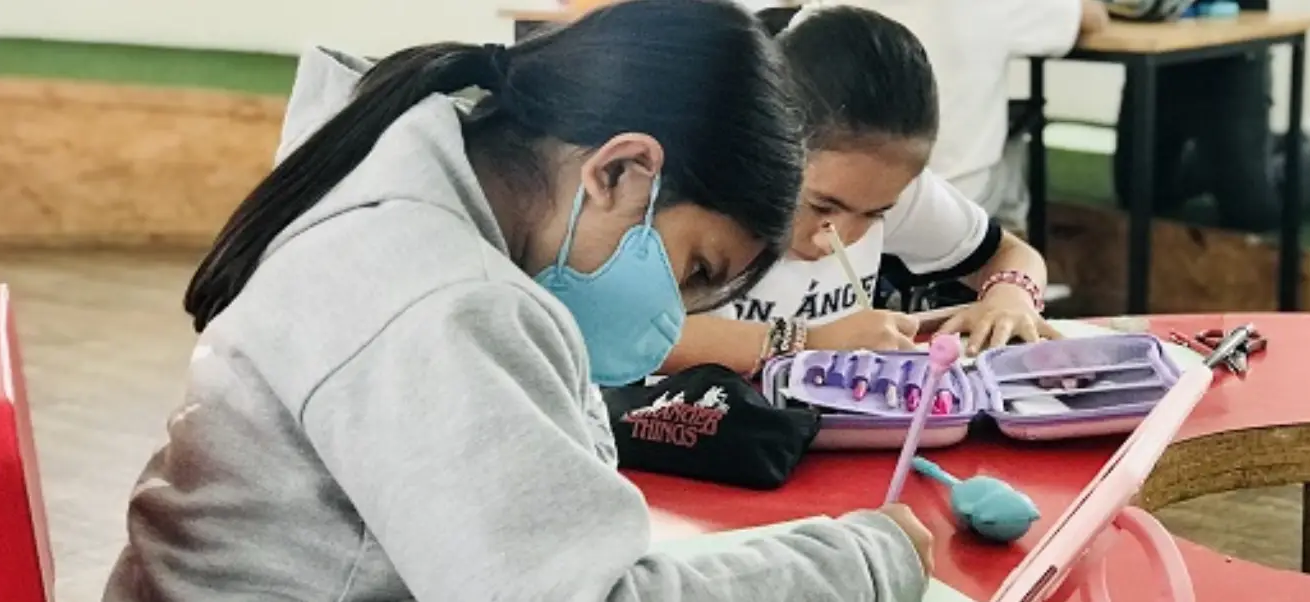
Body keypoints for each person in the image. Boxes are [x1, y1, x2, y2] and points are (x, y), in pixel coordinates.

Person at [102, 2, 932, 601]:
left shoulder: (401, 197)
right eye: (691, 268)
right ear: (619, 171)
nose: (674, 317)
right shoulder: (439, 299)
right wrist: (861, 563)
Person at [661, 5, 1061, 379]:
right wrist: (810, 343)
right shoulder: (701, 193)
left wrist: (1009, 299)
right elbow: (635, 335)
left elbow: (1008, 253)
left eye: (875, 214)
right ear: (766, 146)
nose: (838, 237)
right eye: (822, 205)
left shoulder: (881, 185)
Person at [799, 0, 1110, 232]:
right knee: (1015, 145)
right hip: (956, 198)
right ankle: (1007, 277)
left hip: (831, 199)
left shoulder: (820, 13)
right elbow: (1093, 17)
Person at [1114, 0, 1310, 231]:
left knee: (1253, 210)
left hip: (1230, 45)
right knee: (1142, 192)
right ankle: (1292, 141)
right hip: (1151, 37)